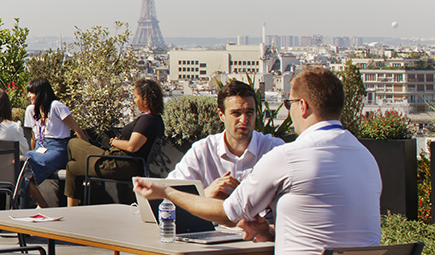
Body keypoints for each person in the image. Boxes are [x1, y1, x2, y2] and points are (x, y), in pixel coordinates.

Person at [134, 67, 382, 255]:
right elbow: (330, 229)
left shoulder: (289, 155)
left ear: (303, 106)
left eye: (288, 104)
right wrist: (272, 233)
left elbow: (230, 214)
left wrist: (167, 191)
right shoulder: (366, 157)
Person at [169, 79, 285, 195]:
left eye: (249, 112)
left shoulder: (274, 150)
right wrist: (205, 195)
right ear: (221, 115)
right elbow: (170, 194)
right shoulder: (203, 151)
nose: (244, 120)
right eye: (236, 113)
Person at [63, 77, 164, 207]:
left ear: (145, 98)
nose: (134, 100)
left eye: (136, 96)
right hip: (121, 161)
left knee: (73, 143)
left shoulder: (148, 120)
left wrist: (114, 142)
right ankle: (72, 211)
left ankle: (84, 193)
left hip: (117, 163)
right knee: (72, 167)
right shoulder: (156, 119)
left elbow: (132, 146)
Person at [22, 78, 88, 208]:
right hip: (40, 149)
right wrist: (33, 151)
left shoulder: (56, 106)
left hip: (58, 148)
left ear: (41, 93)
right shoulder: (30, 110)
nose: (29, 96)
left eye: (32, 92)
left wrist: (86, 153)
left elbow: (76, 128)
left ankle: (43, 207)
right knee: (19, 169)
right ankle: (43, 206)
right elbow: (34, 137)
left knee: (24, 164)